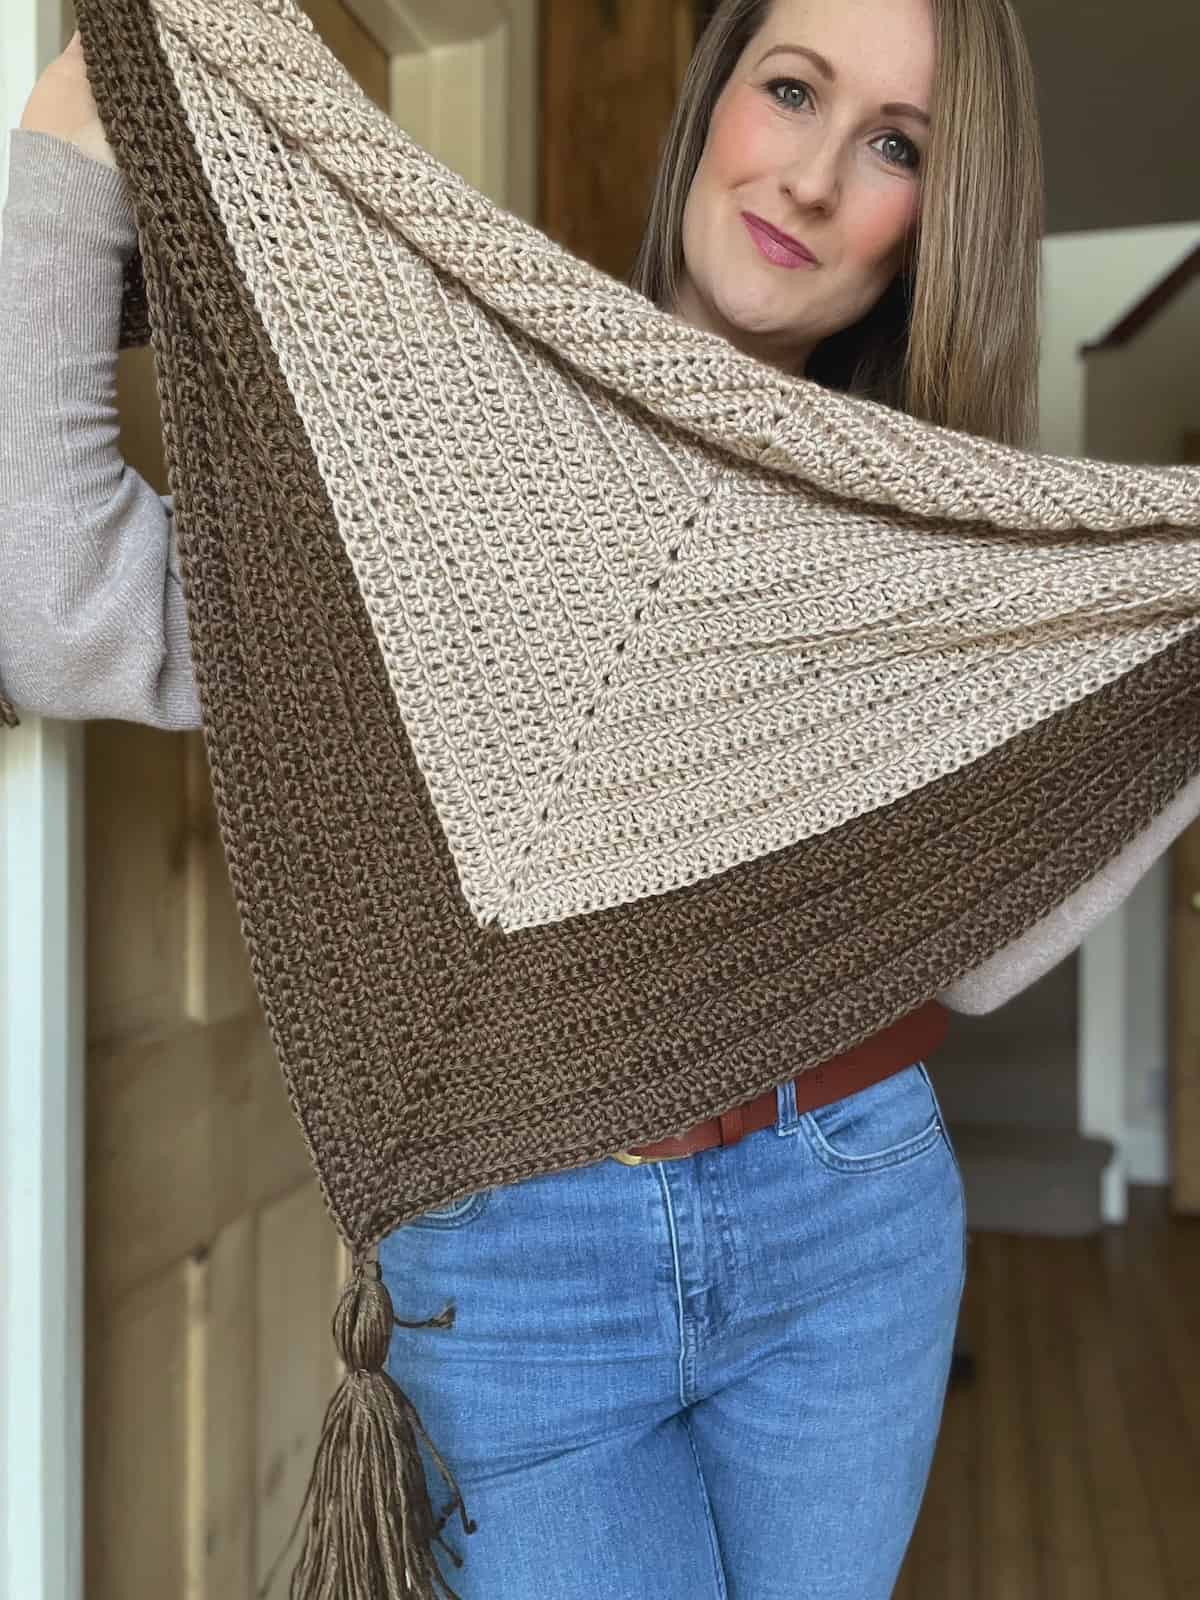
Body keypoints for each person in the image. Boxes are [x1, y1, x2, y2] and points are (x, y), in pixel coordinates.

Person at [4, 2, 1198, 1595]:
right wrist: (71, 153)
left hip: (852, 1207)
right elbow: (65, 608)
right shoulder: (436, 438)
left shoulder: (926, 561)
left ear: (941, 216)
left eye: (898, 144)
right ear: (714, 102)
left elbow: (970, 959)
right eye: (794, 90)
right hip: (516, 1244)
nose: (819, 178)